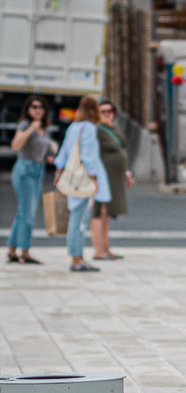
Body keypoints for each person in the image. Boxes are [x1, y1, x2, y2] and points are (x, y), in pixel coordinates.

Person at [54, 95, 110, 273]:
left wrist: (58, 170)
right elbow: (88, 154)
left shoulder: (74, 127)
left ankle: (77, 256)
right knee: (79, 220)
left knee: (76, 217)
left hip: (71, 175)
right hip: (82, 177)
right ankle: (76, 258)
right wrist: (94, 178)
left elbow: (63, 150)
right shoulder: (89, 128)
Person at [6, 95, 53, 265]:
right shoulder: (25, 125)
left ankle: (12, 249)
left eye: (41, 107)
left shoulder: (45, 129)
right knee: (28, 213)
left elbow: (45, 148)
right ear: (28, 109)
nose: (38, 110)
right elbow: (15, 145)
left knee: (23, 212)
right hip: (25, 169)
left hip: (38, 170)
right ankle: (24, 252)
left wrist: (50, 156)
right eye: (34, 107)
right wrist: (30, 130)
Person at [90, 100, 133, 261]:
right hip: (103, 176)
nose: (107, 114)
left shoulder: (114, 128)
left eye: (110, 111)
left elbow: (122, 150)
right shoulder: (95, 130)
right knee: (99, 211)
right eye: (103, 111)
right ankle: (98, 250)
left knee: (108, 212)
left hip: (115, 176)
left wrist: (126, 173)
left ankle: (106, 248)